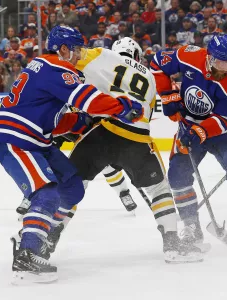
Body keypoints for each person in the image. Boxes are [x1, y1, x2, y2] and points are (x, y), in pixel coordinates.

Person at [0, 26, 143, 284]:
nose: (79, 54)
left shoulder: (45, 68)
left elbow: (52, 119)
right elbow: (90, 100)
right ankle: (28, 252)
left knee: (72, 186)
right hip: (17, 139)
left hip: (37, 137)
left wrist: (81, 122)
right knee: (47, 191)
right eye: (77, 49)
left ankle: (38, 232)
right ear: (63, 49)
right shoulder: (56, 67)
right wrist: (122, 105)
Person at [47, 37, 203, 263]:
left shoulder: (104, 56)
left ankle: (46, 238)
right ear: (138, 55)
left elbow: (74, 62)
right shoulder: (148, 75)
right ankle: (172, 243)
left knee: (72, 186)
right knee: (159, 189)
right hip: (136, 137)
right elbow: (145, 117)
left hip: (103, 133)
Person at [150, 35, 227, 247]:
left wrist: (198, 132)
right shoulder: (188, 56)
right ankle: (191, 226)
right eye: (222, 62)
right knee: (178, 176)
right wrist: (167, 95)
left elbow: (223, 119)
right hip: (189, 127)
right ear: (209, 58)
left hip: (226, 136)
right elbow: (157, 62)